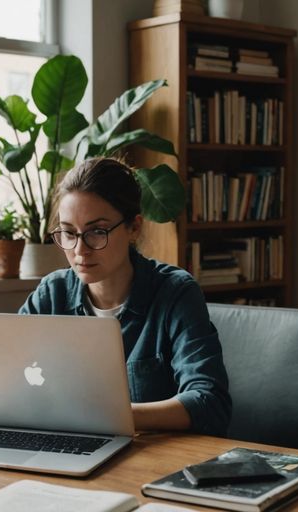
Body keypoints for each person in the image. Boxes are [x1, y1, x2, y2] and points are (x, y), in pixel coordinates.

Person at [20, 157, 231, 437]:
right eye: (69, 233)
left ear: (134, 228)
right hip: (67, 448)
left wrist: (108, 417)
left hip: (148, 460)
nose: (80, 251)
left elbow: (209, 403)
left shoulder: (175, 292)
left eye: (97, 232)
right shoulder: (52, 293)